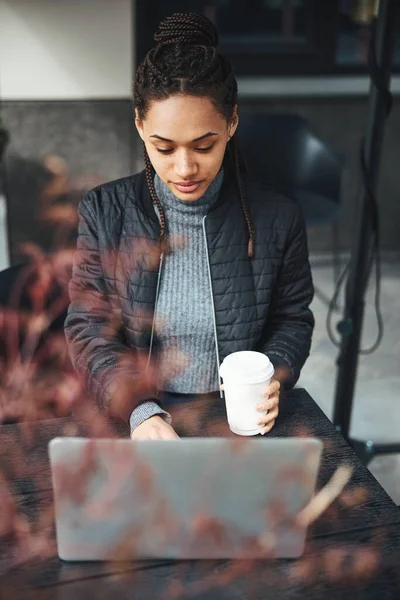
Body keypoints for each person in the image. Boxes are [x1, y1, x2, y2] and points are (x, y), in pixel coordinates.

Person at [65, 12, 314, 440]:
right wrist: (140, 411)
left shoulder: (277, 215)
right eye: (164, 148)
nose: (184, 168)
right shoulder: (105, 211)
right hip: (143, 416)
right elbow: (88, 327)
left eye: (204, 145)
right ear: (141, 126)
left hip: (238, 417)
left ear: (231, 123)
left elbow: (292, 318)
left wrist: (273, 374)